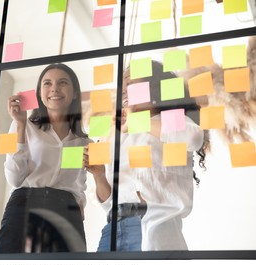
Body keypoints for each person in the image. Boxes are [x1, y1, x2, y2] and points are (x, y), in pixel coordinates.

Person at [86, 60, 207, 251]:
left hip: (152, 224)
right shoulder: (117, 135)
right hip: (112, 230)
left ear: (154, 89)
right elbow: (109, 203)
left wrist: (137, 121)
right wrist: (99, 175)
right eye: (123, 86)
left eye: (131, 84)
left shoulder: (169, 120)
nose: (124, 90)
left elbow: (193, 137)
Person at [0, 63, 90, 253]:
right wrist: (19, 124)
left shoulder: (83, 142)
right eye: (47, 83)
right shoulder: (23, 126)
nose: (54, 88)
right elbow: (14, 178)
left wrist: (79, 206)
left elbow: (79, 186)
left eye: (62, 83)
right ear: (39, 92)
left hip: (66, 211)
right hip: (25, 205)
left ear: (75, 92)